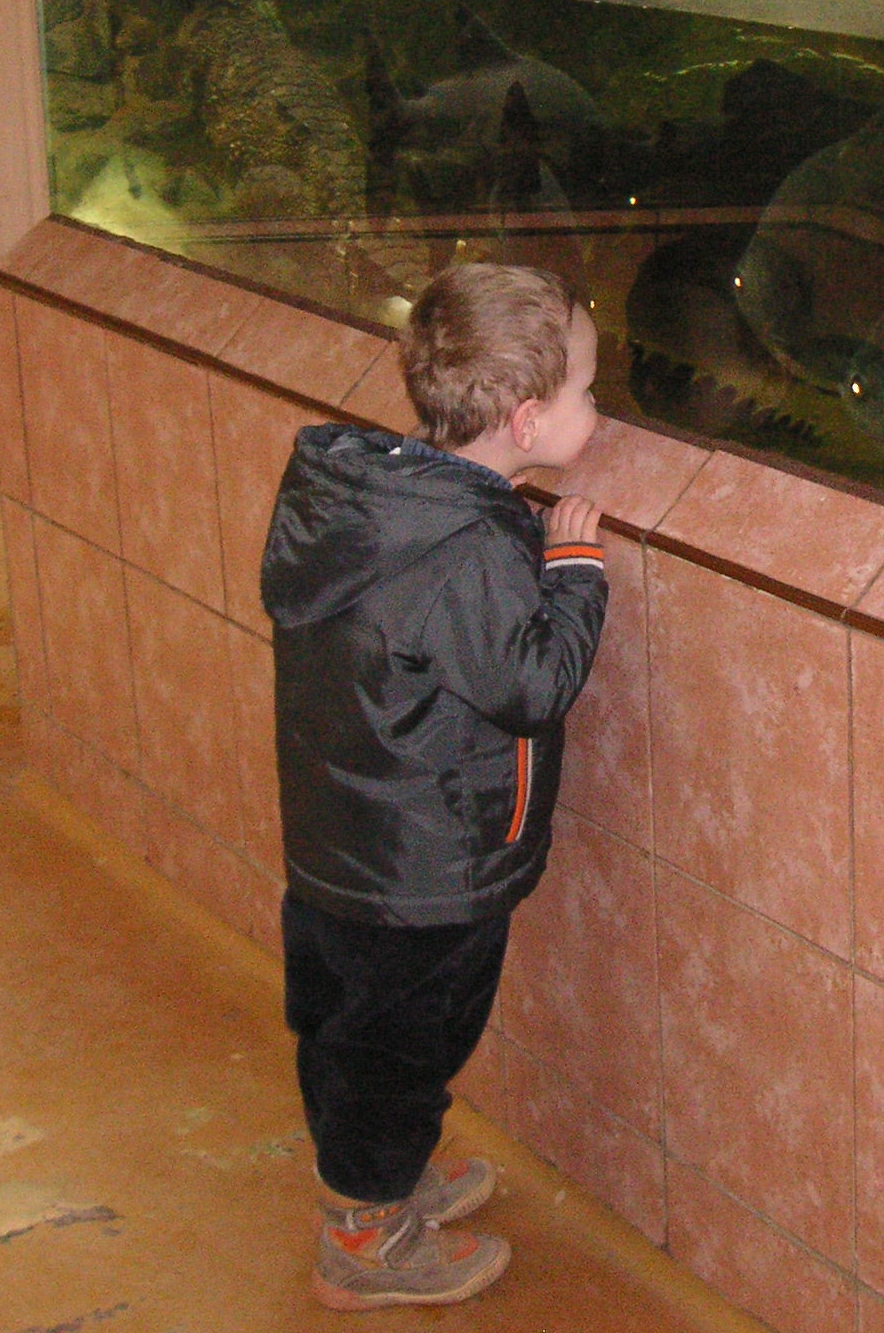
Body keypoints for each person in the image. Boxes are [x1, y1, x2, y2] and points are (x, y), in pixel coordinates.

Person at [260, 262, 607, 1310]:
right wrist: (574, 573)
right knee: (404, 1047)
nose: (599, 408)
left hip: (349, 844)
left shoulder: (367, 500)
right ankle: (362, 1239)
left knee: (356, 1034)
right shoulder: (463, 549)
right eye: (589, 391)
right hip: (426, 868)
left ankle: (382, 1178)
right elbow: (530, 685)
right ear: (527, 420)